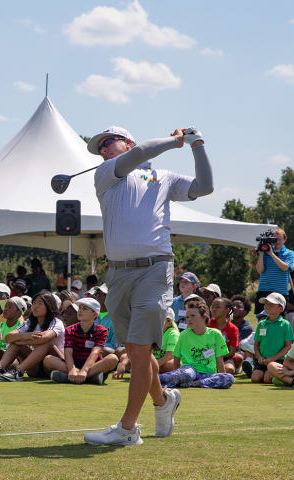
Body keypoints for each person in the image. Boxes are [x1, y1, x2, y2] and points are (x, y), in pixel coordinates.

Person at [83, 124, 213, 447]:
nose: (103, 150)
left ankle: (128, 429)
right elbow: (141, 155)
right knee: (138, 352)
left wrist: (196, 145)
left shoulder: (163, 177)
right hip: (117, 274)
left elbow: (205, 187)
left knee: (140, 350)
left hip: (154, 270)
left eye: (108, 142)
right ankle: (163, 401)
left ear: (127, 141)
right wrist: (175, 141)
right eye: (100, 147)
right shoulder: (105, 174)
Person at [0, 291, 65, 382]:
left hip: (54, 363)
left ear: (49, 306)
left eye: (39, 303)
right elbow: (8, 337)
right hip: (35, 367)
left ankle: (18, 371)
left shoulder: (56, 322)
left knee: (47, 344)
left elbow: (44, 338)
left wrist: (21, 339)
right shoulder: (30, 322)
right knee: (15, 343)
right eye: (34, 303)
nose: (35, 306)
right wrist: (27, 336)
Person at [158, 300, 234, 389]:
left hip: (208, 375)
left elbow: (220, 361)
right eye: (187, 317)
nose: (188, 319)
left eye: (192, 316)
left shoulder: (216, 334)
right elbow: (177, 358)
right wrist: (176, 376)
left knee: (229, 378)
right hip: (189, 371)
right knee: (186, 374)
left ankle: (194, 383)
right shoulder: (184, 334)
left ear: (204, 316)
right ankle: (154, 380)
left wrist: (222, 376)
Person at [44, 298, 119, 384]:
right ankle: (91, 378)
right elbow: (68, 353)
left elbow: (95, 352)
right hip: (72, 365)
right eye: (80, 308)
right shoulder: (69, 329)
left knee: (113, 358)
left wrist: (84, 371)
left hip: (92, 366)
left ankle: (68, 377)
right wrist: (72, 370)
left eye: (85, 309)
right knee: (48, 359)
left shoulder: (102, 330)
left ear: (95, 314)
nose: (80, 311)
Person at [245, 293, 294, 384]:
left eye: (271, 304)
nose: (267, 306)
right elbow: (256, 344)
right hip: (262, 361)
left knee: (267, 379)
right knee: (255, 378)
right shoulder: (261, 324)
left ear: (280, 308)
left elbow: (288, 346)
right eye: (266, 304)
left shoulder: (285, 324)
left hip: (278, 361)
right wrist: (259, 357)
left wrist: (272, 359)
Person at [254, 229, 294, 315]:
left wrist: (272, 254)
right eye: (275, 239)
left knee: (279, 319)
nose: (277, 241)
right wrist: (261, 254)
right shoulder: (265, 252)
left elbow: (285, 268)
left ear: (284, 240)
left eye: (279, 239)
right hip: (264, 290)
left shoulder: (289, 253)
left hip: (280, 291)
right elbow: (260, 270)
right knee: (262, 318)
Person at [208, 297, 239, 374]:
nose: (214, 309)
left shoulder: (233, 328)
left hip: (225, 358)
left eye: (218, 307)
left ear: (227, 310)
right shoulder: (206, 324)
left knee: (229, 369)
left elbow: (232, 352)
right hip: (206, 356)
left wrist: (216, 354)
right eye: (212, 306)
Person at [230, 294, 254, 369]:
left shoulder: (247, 328)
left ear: (245, 312)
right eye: (232, 306)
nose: (234, 308)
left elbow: (241, 346)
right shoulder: (226, 324)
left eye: (238, 307)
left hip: (240, 352)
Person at [153, 307, 180, 373]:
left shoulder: (173, 334)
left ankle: (156, 371)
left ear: (169, 323)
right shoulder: (152, 331)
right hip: (157, 363)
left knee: (170, 365)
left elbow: (169, 357)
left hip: (166, 362)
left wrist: (150, 367)